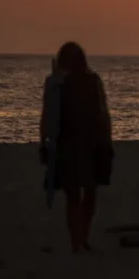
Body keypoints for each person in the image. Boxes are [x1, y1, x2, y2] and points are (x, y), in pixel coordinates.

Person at [39, 42, 113, 253]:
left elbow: (47, 116)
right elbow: (103, 113)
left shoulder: (56, 83)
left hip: (69, 144)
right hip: (90, 142)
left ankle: (77, 240)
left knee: (74, 196)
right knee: (88, 193)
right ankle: (81, 237)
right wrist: (107, 141)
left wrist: (43, 142)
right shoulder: (90, 81)